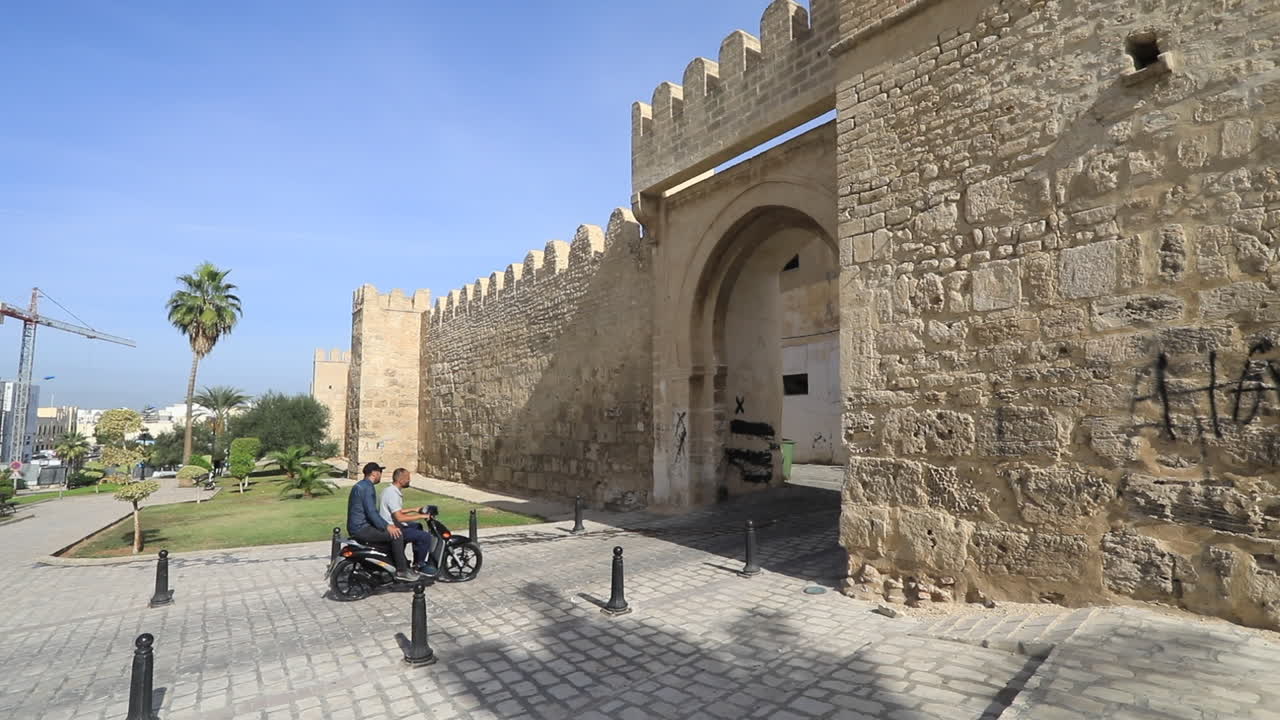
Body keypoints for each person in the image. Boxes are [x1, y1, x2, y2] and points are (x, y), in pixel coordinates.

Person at [346, 462, 419, 582]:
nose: (381, 475)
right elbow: (371, 512)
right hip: (361, 528)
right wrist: (387, 526)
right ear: (374, 473)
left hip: (358, 526)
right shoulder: (367, 487)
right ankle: (402, 571)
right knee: (397, 535)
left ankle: (388, 564)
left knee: (389, 533)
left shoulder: (360, 485)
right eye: (380, 472)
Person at [380, 468, 438, 577]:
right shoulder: (392, 494)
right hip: (394, 528)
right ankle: (419, 565)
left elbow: (396, 511)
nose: (409, 481)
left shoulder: (390, 490)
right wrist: (422, 516)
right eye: (407, 478)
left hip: (392, 523)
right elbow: (399, 518)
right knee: (425, 537)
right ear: (400, 480)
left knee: (417, 526)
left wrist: (414, 509)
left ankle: (416, 561)